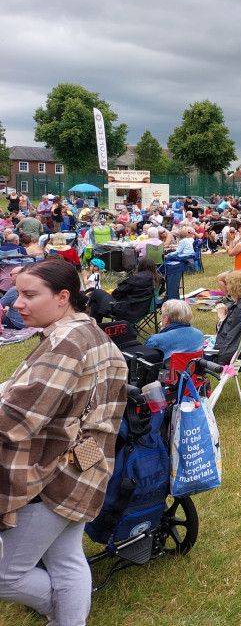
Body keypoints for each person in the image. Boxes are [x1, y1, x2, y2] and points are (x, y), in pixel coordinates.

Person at [0, 258, 128, 623]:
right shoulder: (88, 330)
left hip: (53, 467)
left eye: (28, 294)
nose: (16, 303)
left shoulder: (65, 343)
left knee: (6, 575)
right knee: (66, 557)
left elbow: (17, 420)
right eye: (16, 294)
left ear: (62, 297)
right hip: (88, 457)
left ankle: (60, 609)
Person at [88, 257, 161, 322]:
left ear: (140, 266)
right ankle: (95, 327)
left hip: (126, 310)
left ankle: (90, 323)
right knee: (95, 304)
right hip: (143, 309)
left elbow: (116, 294)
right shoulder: (158, 279)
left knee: (96, 292)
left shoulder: (136, 279)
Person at [210, 270, 241, 365]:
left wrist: (222, 317)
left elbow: (226, 334)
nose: (226, 287)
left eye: (228, 284)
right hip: (234, 351)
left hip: (226, 354)